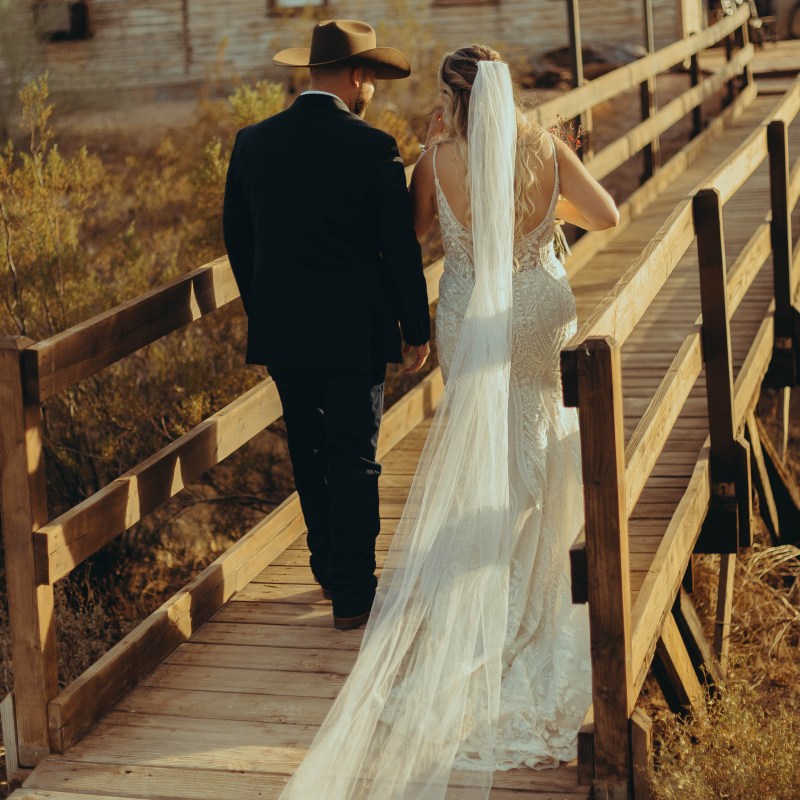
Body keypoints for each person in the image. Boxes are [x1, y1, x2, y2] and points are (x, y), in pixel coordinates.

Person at [277, 45, 619, 800]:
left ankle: (484, 605)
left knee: (480, 448)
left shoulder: (437, 158)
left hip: (470, 316)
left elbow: (417, 234)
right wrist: (544, 213)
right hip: (537, 309)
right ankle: (537, 584)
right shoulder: (547, 147)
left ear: (453, 99)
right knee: (536, 434)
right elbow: (610, 214)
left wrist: (453, 189)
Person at [222, 20, 431, 632]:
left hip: (283, 329)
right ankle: (352, 593)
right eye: (372, 78)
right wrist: (415, 327)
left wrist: (264, 309)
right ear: (358, 76)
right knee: (355, 457)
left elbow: (238, 240)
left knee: (309, 451)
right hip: (354, 331)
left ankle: (326, 566)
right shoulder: (373, 147)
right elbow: (398, 251)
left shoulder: (252, 142)